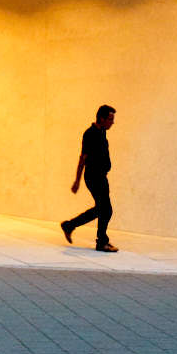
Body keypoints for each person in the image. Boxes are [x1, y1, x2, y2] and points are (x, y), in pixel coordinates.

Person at [61, 104, 118, 253]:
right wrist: (77, 180)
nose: (113, 122)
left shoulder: (102, 132)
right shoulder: (90, 134)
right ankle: (101, 242)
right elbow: (83, 158)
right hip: (93, 177)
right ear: (102, 118)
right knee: (106, 209)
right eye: (110, 119)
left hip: (101, 176)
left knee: (103, 209)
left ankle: (69, 225)